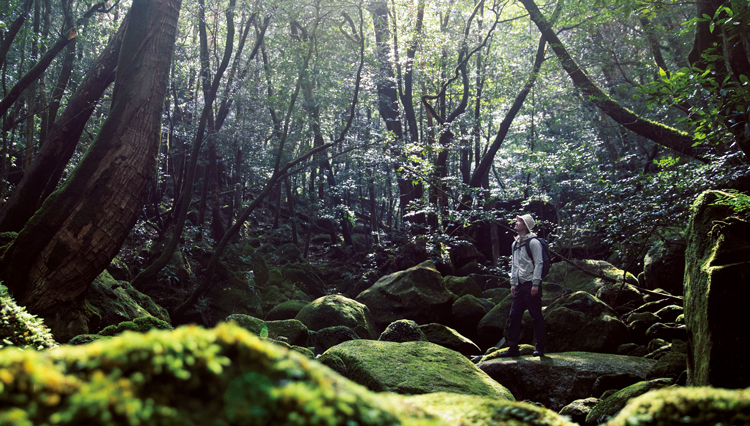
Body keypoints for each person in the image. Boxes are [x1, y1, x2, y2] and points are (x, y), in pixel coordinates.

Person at [499, 213, 546, 357]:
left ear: (526, 225)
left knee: (536, 316)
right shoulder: (515, 243)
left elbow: (539, 263)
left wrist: (535, 284)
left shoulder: (534, 242)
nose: (516, 223)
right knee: (514, 316)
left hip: (531, 284)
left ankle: (540, 348)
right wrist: (513, 283)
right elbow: (514, 265)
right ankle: (513, 348)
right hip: (519, 285)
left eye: (519, 222)